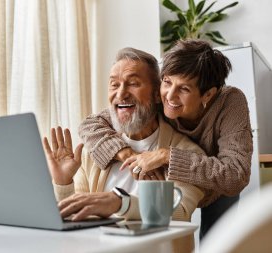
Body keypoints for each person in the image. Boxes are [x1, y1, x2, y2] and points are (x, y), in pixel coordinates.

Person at [78, 39, 253, 238]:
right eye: (167, 82)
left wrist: (166, 156)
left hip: (217, 185)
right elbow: (90, 124)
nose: (170, 96)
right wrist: (129, 154)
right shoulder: (158, 97)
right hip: (182, 170)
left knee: (218, 242)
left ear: (208, 94)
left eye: (184, 89)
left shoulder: (230, 103)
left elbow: (235, 175)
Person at [42, 47, 205, 223]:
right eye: (114, 84)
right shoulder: (94, 151)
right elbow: (77, 215)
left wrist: (120, 203)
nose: (121, 94)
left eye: (133, 83)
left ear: (158, 94)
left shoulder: (186, 154)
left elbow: (179, 211)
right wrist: (63, 183)